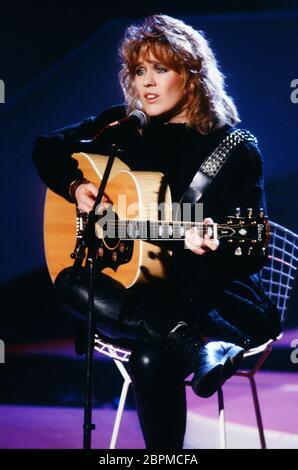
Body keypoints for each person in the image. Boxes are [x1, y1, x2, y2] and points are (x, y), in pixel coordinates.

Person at [32, 14, 281, 449]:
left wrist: (211, 243)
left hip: (212, 293)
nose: (147, 83)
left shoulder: (234, 147)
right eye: (139, 71)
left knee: (150, 356)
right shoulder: (127, 128)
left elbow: (254, 245)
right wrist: (76, 186)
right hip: (146, 293)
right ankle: (190, 344)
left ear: (191, 75)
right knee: (70, 280)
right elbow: (47, 146)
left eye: (160, 69)